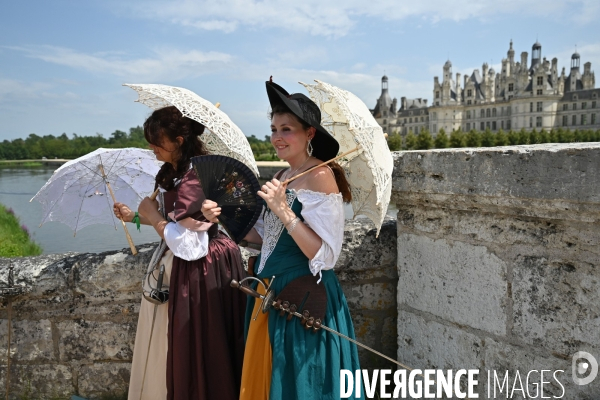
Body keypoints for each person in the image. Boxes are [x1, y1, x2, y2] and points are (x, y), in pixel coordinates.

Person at [202, 80, 363, 400]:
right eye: (274, 128)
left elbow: (326, 256)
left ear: (310, 134)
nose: (277, 137)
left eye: (287, 129)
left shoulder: (321, 176)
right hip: (270, 291)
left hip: (303, 297)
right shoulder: (280, 176)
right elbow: (266, 240)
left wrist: (284, 210)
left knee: (303, 386)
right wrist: (221, 217)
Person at [113, 106, 246, 400]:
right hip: (188, 259)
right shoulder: (174, 172)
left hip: (203, 266)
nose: (152, 147)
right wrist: (135, 217)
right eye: (150, 140)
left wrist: (153, 215)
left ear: (180, 140)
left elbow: (189, 245)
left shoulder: (195, 176)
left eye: (158, 141)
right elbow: (174, 221)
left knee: (196, 345)